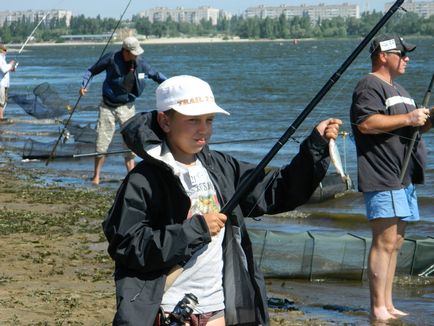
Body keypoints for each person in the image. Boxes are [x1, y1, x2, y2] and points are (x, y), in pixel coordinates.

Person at [102, 75, 342, 325]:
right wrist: (194, 229)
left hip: (222, 307)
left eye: (209, 120)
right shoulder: (142, 179)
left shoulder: (222, 166)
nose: (203, 128)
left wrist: (315, 146)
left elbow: (276, 191)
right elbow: (127, 246)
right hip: (169, 308)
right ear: (165, 121)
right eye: (192, 120)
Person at [350, 34, 433, 321]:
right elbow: (366, 123)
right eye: (402, 53)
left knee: (395, 243)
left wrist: (427, 119)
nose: (407, 58)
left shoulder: (400, 89)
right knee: (383, 242)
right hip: (382, 174)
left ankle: (388, 304)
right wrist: (410, 118)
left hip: (404, 177)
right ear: (384, 55)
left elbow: (411, 128)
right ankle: (377, 307)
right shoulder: (369, 85)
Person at [79, 36, 167, 185]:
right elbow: (91, 71)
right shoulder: (111, 58)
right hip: (107, 106)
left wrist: (173, 85)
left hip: (127, 107)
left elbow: (157, 76)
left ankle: (130, 176)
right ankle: (96, 176)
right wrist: (84, 86)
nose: (136, 55)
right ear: (125, 51)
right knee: (102, 142)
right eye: (133, 52)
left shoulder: (141, 64)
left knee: (130, 142)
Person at [0, 44, 17, 120]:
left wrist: (12, 67)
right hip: (1, 84)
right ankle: (1, 117)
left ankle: (1, 116)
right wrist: (11, 64)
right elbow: (3, 69)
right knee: (1, 101)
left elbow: (7, 69)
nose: (6, 52)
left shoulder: (3, 59)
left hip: (5, 84)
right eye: (5, 50)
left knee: (4, 101)